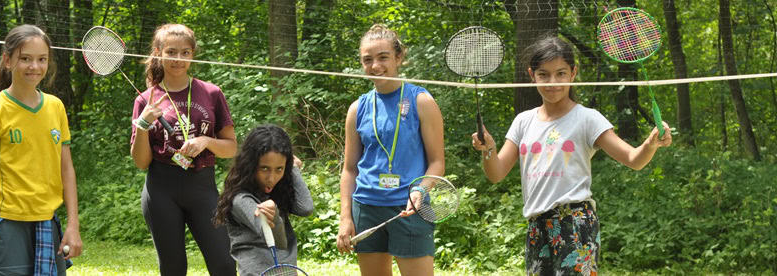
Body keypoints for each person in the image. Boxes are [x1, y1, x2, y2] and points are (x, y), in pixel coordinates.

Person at [470, 36, 673, 275]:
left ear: (573, 73)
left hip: (575, 224)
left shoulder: (587, 118)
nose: (552, 82)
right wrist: (489, 150)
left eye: (561, 73)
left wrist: (650, 143)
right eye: (543, 74)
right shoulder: (523, 121)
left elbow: (633, 160)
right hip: (537, 227)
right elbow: (496, 173)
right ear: (531, 75)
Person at [0, 24, 82, 276]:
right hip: (5, 227)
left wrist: (73, 225)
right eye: (25, 59)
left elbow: (67, 169)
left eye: (41, 59)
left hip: (47, 224)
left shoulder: (55, 107)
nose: (34, 67)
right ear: (8, 60)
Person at [335, 24, 445, 276]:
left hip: (410, 208)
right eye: (367, 60)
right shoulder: (357, 109)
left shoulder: (421, 101)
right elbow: (350, 169)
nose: (375, 66)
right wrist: (345, 217)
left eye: (383, 57)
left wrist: (420, 190)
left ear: (399, 57)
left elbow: (437, 163)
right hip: (366, 207)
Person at [130, 23, 237, 276]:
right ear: (158, 53)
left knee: (223, 263)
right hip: (161, 191)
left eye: (185, 52)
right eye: (171, 52)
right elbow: (141, 162)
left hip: (202, 187)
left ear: (193, 54)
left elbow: (231, 147)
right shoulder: (145, 100)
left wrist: (206, 142)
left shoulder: (211, 93)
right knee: (173, 268)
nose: (178, 59)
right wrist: (143, 124)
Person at [212, 124, 314, 276]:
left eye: (279, 169)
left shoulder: (280, 190)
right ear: (250, 165)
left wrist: (293, 169)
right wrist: (273, 216)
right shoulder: (240, 200)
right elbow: (277, 240)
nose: (271, 178)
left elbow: (305, 208)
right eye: (264, 168)